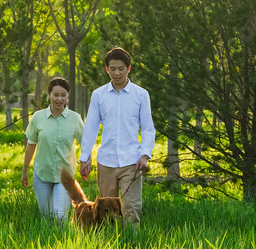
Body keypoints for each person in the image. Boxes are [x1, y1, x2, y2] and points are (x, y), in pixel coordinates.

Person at [79, 47, 156, 232]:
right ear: (106, 69)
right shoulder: (99, 95)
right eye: (112, 69)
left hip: (132, 162)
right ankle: (108, 246)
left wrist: (145, 155)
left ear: (129, 69)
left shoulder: (141, 95)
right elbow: (90, 127)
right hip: (106, 161)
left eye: (121, 68)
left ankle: (132, 243)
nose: (117, 73)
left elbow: (147, 128)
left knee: (131, 207)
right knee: (105, 210)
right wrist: (85, 157)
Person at [22, 77, 84, 224]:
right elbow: (31, 144)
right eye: (55, 95)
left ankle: (62, 244)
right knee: (47, 217)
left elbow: (86, 143)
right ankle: (48, 244)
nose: (59, 99)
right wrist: (25, 170)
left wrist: (86, 162)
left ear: (68, 95)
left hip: (65, 176)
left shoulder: (74, 119)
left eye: (63, 95)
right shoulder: (38, 117)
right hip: (42, 174)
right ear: (49, 94)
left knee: (60, 217)